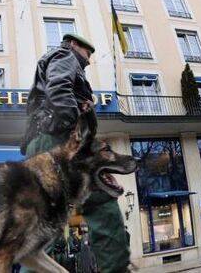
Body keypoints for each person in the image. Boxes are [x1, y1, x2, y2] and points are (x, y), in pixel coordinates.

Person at [20, 33, 130, 273]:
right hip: (58, 139)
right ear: (73, 44)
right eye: (87, 53)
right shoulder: (65, 55)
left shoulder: (56, 59)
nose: (89, 59)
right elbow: (59, 87)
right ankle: (115, 268)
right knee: (101, 202)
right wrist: (74, 129)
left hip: (41, 143)